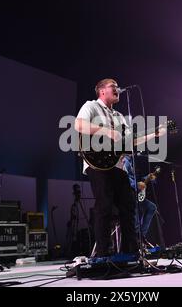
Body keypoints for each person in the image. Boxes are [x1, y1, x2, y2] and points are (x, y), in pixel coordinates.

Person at [74, 78, 165, 257]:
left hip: (118, 166)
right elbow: (79, 125)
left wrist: (155, 133)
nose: (117, 89)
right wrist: (107, 131)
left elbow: (129, 141)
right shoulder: (91, 106)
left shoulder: (119, 117)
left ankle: (129, 252)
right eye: (113, 86)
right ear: (101, 91)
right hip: (97, 163)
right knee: (104, 205)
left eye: (117, 86)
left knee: (128, 206)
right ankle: (103, 254)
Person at [121, 155, 157, 246]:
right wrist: (136, 184)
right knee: (135, 208)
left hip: (134, 194)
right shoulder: (125, 160)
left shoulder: (132, 160)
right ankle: (136, 237)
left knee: (151, 207)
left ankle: (141, 236)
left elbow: (135, 178)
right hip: (127, 196)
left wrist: (148, 178)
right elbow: (124, 178)